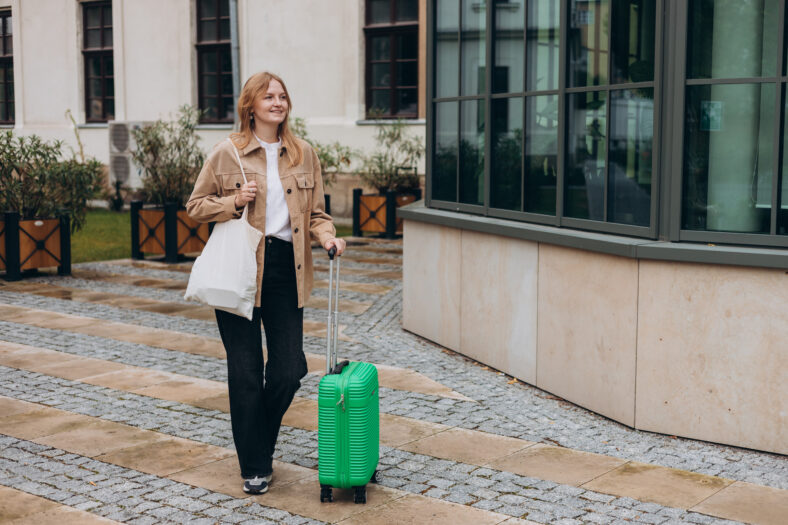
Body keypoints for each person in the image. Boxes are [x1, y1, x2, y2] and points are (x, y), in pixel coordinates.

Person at [186, 71, 346, 495]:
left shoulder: (303, 154)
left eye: (282, 96)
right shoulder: (227, 153)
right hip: (241, 267)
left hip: (285, 268)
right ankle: (254, 467)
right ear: (250, 106)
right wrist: (233, 201)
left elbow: (317, 214)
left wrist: (328, 236)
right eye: (268, 96)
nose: (277, 102)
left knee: (289, 369)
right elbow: (196, 206)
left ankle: (257, 443)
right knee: (244, 372)